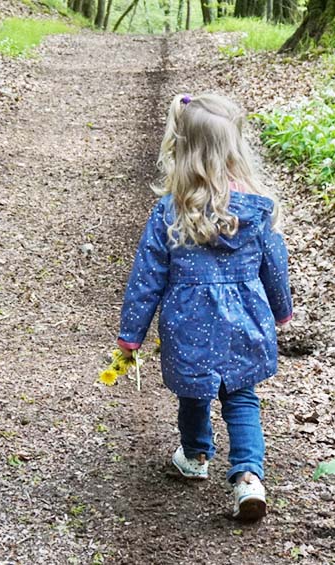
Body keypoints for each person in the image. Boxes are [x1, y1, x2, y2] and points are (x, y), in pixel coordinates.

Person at [116, 93, 292, 522]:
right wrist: (281, 310)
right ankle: (249, 478)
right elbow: (276, 265)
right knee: (242, 397)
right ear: (235, 149)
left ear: (182, 150)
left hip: (189, 323)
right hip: (246, 320)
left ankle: (195, 455)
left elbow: (147, 279)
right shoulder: (258, 210)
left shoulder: (169, 213)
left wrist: (131, 335)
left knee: (194, 394)